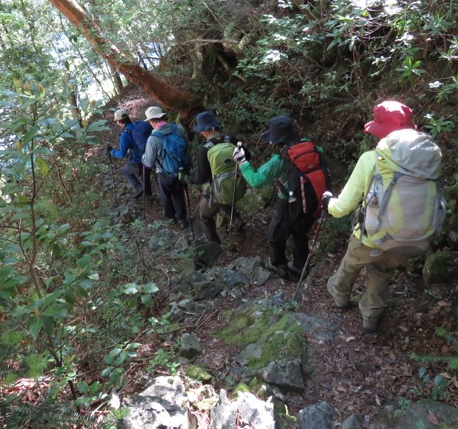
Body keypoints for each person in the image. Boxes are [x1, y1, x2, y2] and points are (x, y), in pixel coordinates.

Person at [322, 100, 442, 334]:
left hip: (372, 235)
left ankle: (340, 295)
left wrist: (329, 203)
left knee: (351, 262)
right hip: (412, 238)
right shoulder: (429, 160)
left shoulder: (372, 159)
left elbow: (343, 206)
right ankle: (371, 316)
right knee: (383, 271)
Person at [232, 116, 326, 280]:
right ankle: (299, 266)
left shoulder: (280, 160)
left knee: (274, 234)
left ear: (277, 140)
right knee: (300, 233)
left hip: (287, 203)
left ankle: (278, 265)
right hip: (311, 200)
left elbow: (256, 180)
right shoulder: (314, 149)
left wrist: (242, 162)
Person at [189, 110, 246, 244]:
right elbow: (247, 157)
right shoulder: (231, 140)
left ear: (204, 131)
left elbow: (202, 178)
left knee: (204, 215)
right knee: (223, 195)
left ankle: (214, 244)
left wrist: (189, 178)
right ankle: (237, 220)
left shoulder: (205, 150)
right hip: (237, 183)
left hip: (217, 190)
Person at [142, 105, 191, 228]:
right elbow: (187, 146)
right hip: (182, 168)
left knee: (165, 194)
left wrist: (143, 157)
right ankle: (182, 219)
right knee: (178, 192)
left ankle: (171, 217)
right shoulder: (178, 129)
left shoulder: (153, 139)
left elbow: (149, 162)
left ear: (151, 121)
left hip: (164, 172)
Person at [106, 109, 153, 200]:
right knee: (145, 174)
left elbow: (121, 154)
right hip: (150, 156)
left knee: (124, 170)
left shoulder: (125, 135)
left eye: (117, 121)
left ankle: (138, 187)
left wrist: (111, 152)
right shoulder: (138, 125)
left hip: (138, 161)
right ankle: (148, 196)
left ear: (120, 122)